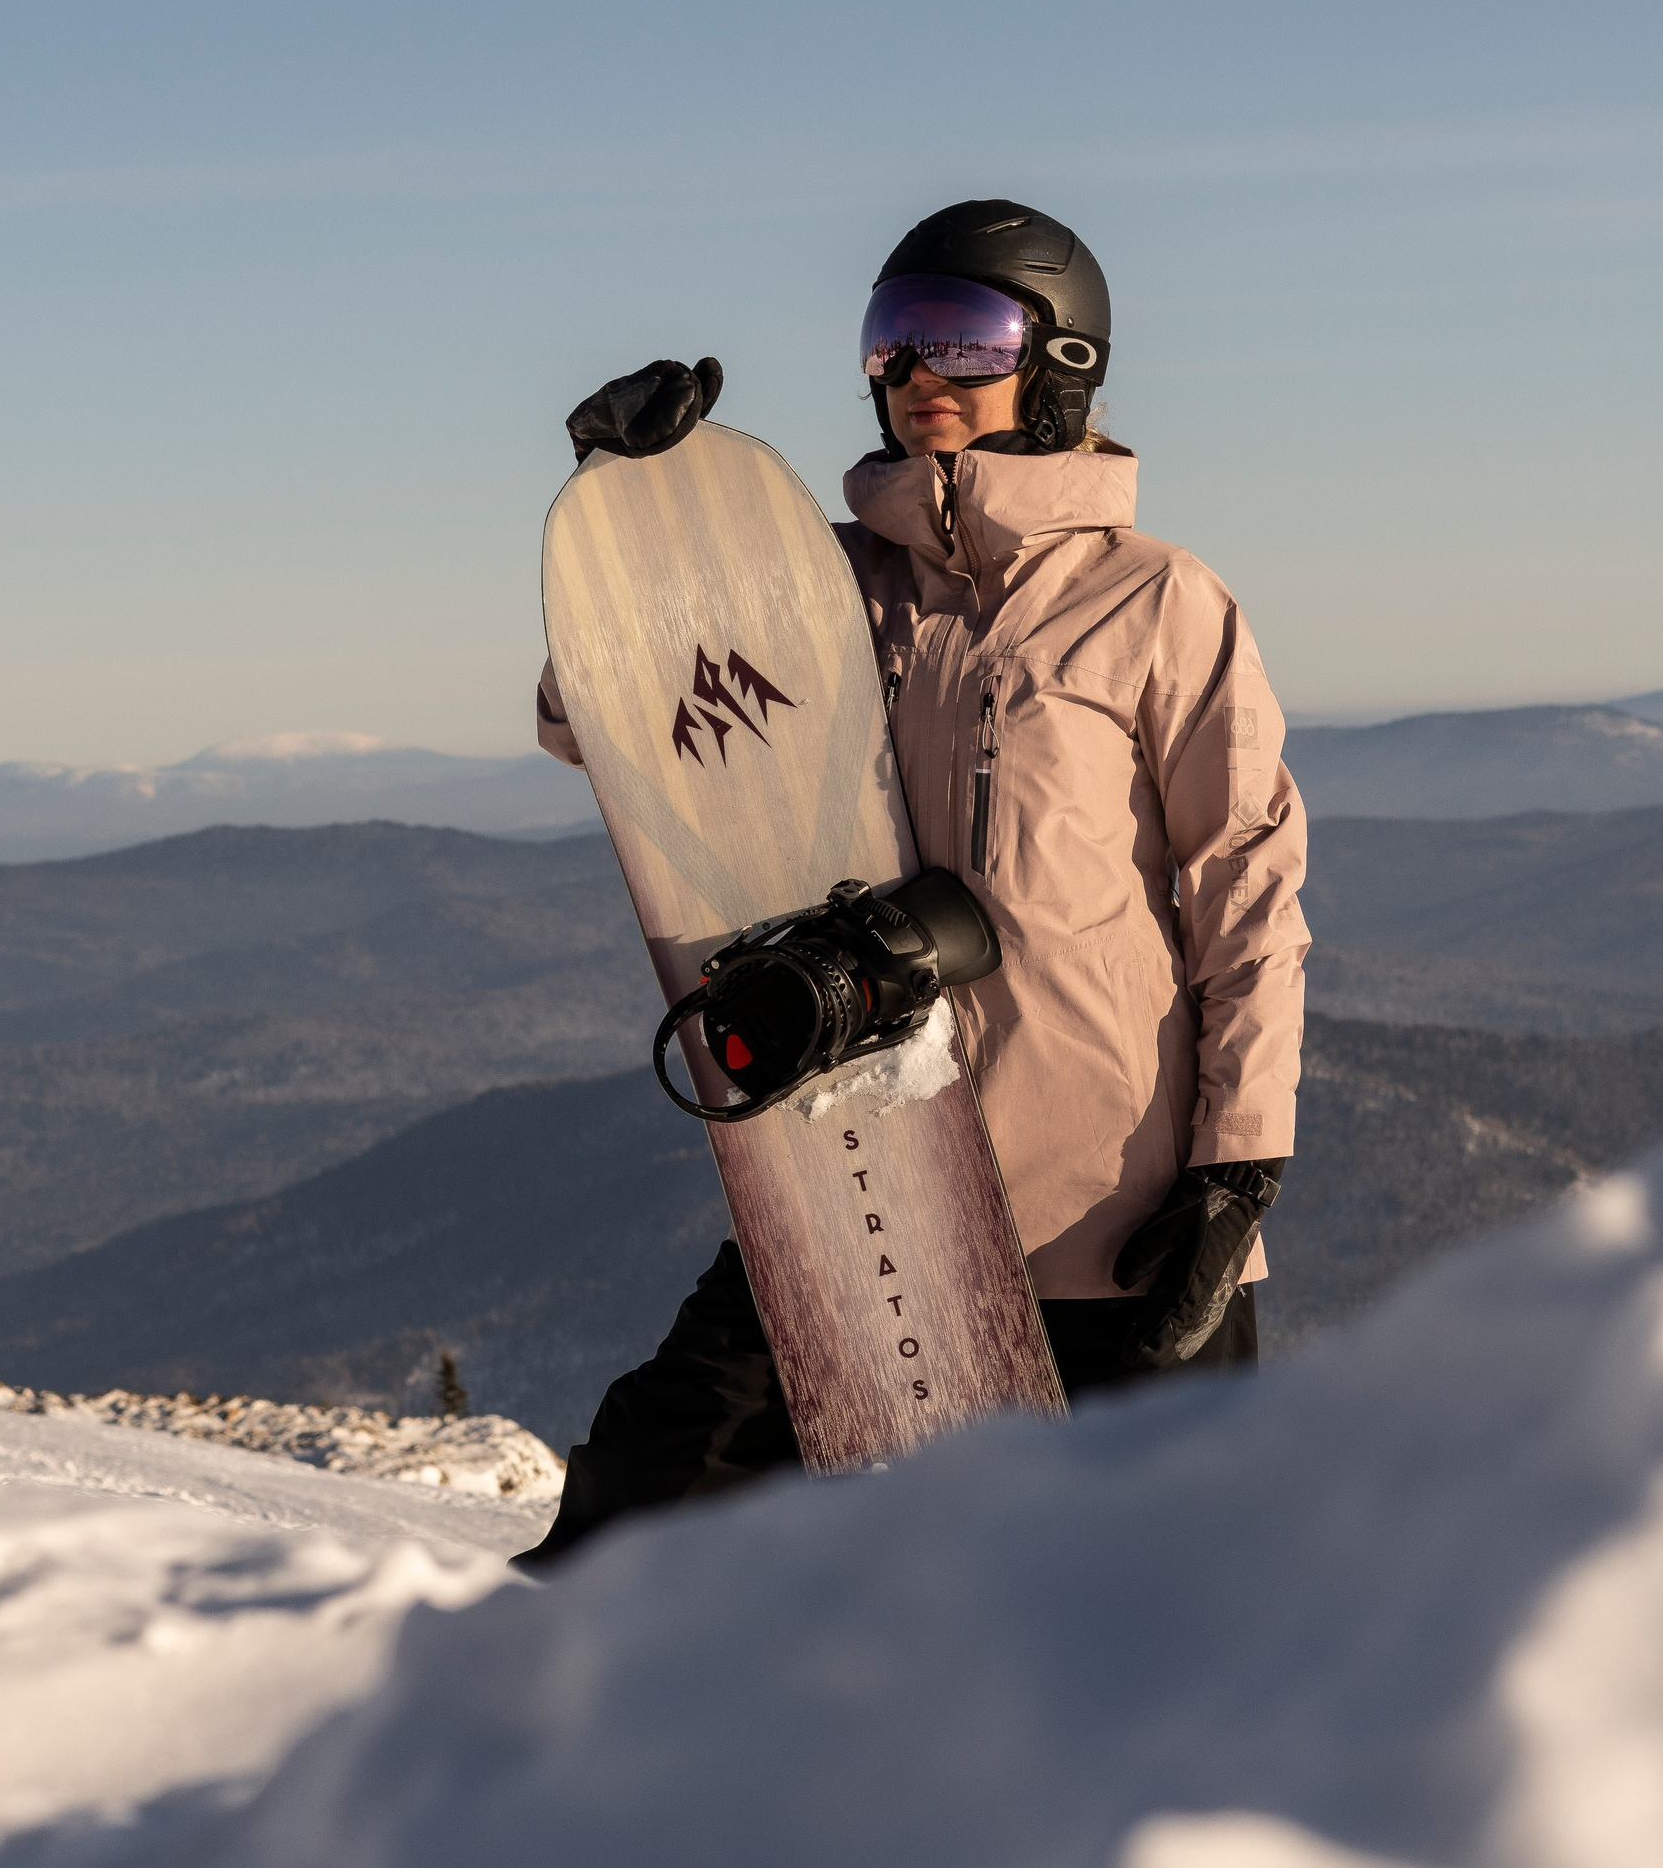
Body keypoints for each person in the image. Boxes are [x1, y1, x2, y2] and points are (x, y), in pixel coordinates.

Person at [525, 198, 1308, 1566]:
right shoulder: (818, 581)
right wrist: (642, 522)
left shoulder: (1157, 602)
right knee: (632, 1521)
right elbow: (597, 720)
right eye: (893, 339)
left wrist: (1237, 1168)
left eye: (964, 335)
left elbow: (1247, 892)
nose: (917, 372)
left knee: (1161, 1611)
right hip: (858, 1169)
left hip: (1114, 1215)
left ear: (1062, 362)